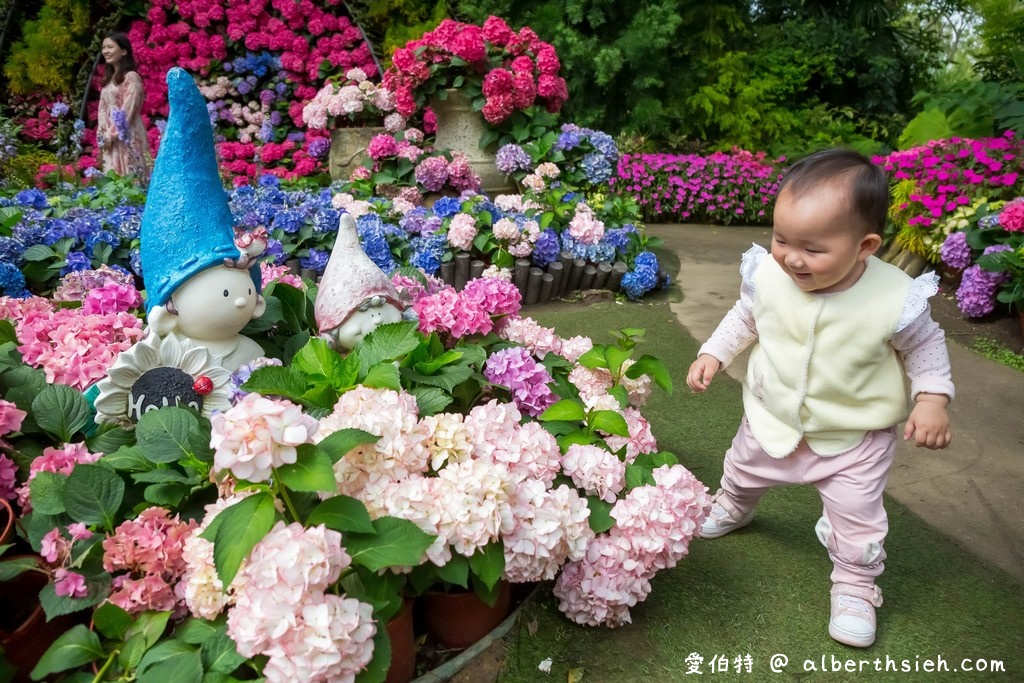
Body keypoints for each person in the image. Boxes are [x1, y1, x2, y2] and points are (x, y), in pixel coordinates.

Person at [686, 148, 953, 649]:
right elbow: (745, 317)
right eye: (781, 238)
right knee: (742, 467)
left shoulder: (895, 297)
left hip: (855, 435)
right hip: (773, 414)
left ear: (864, 245)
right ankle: (735, 504)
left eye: (812, 248)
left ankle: (855, 583)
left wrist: (932, 398)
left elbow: (925, 346)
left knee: (856, 515)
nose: (790, 257)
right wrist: (714, 354)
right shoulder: (770, 274)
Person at [96, 32, 151, 183]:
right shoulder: (108, 80)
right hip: (109, 138)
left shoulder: (131, 77)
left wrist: (112, 133)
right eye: (104, 48)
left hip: (127, 133)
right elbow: (102, 108)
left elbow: (128, 109)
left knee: (131, 175)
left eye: (110, 47)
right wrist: (102, 131)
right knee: (112, 179)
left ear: (124, 51)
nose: (106, 51)